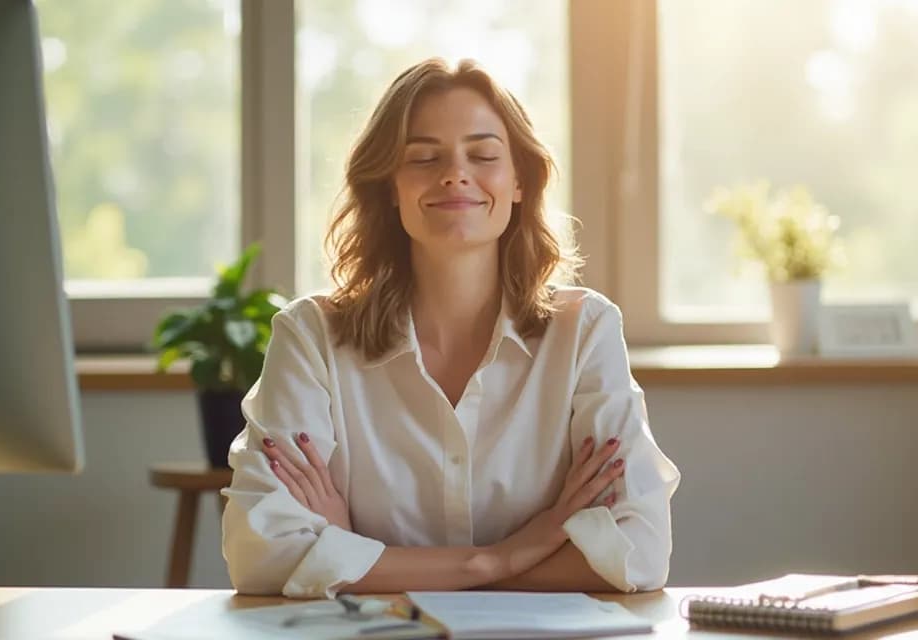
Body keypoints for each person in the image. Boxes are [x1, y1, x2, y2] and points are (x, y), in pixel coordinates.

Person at [221, 57, 680, 598]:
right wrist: (496, 560)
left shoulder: (585, 331)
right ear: (390, 186)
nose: (455, 174)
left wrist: (350, 557)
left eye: (484, 154)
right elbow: (261, 553)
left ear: (519, 183)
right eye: (423, 157)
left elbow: (641, 553)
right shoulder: (311, 336)